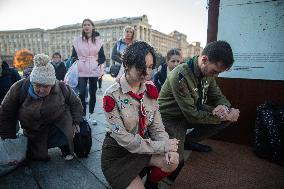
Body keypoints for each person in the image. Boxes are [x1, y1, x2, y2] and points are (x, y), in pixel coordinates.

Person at [101, 41, 179, 189]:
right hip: (118, 154)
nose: (147, 73)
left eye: (150, 67)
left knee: (173, 160)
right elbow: (125, 139)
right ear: (126, 65)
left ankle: (152, 183)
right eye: (141, 68)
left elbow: (157, 127)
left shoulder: (150, 89)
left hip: (144, 147)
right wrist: (161, 146)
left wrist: (167, 148)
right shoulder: (111, 95)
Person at [158, 41, 240, 179]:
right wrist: (225, 116)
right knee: (176, 163)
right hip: (171, 118)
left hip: (192, 110)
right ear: (204, 59)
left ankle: (188, 141)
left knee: (223, 120)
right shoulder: (180, 75)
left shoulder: (208, 73)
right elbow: (192, 116)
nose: (215, 75)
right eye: (215, 71)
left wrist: (225, 109)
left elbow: (218, 96)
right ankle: (177, 148)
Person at [0, 54, 83, 161]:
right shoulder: (18, 88)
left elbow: (75, 102)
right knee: (37, 157)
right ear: (32, 82)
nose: (41, 90)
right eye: (38, 85)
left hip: (58, 124)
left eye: (46, 86)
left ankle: (65, 146)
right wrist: (9, 139)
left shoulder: (62, 88)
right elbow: (6, 112)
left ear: (52, 84)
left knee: (66, 134)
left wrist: (76, 121)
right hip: (34, 130)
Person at [71, 18, 106, 125]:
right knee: (81, 93)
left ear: (92, 27)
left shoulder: (98, 41)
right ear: (82, 27)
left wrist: (97, 62)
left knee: (93, 93)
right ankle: (83, 116)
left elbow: (102, 57)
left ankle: (91, 115)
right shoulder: (77, 40)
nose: (86, 26)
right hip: (81, 69)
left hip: (94, 70)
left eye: (88, 24)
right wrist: (77, 61)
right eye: (84, 25)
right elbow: (73, 55)